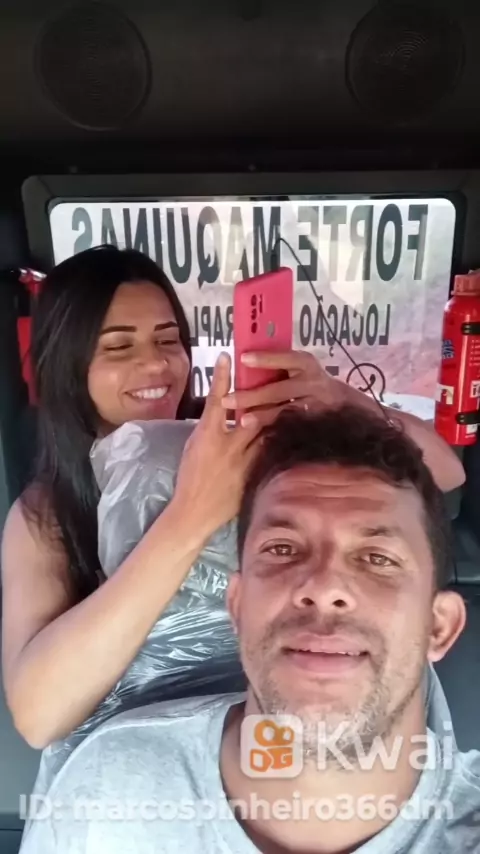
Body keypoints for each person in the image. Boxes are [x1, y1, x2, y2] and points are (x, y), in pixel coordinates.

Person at [1, 245, 463, 756]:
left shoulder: (239, 434)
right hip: (151, 753)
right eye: (118, 347)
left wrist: (341, 398)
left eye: (168, 339)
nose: (155, 363)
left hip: (293, 729)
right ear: (68, 365)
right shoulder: (46, 515)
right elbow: (38, 716)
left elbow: (445, 470)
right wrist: (193, 514)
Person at [19, 405, 479, 854]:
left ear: (439, 627)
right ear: (236, 607)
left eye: (377, 559)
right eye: (283, 548)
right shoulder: (108, 793)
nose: (324, 588)